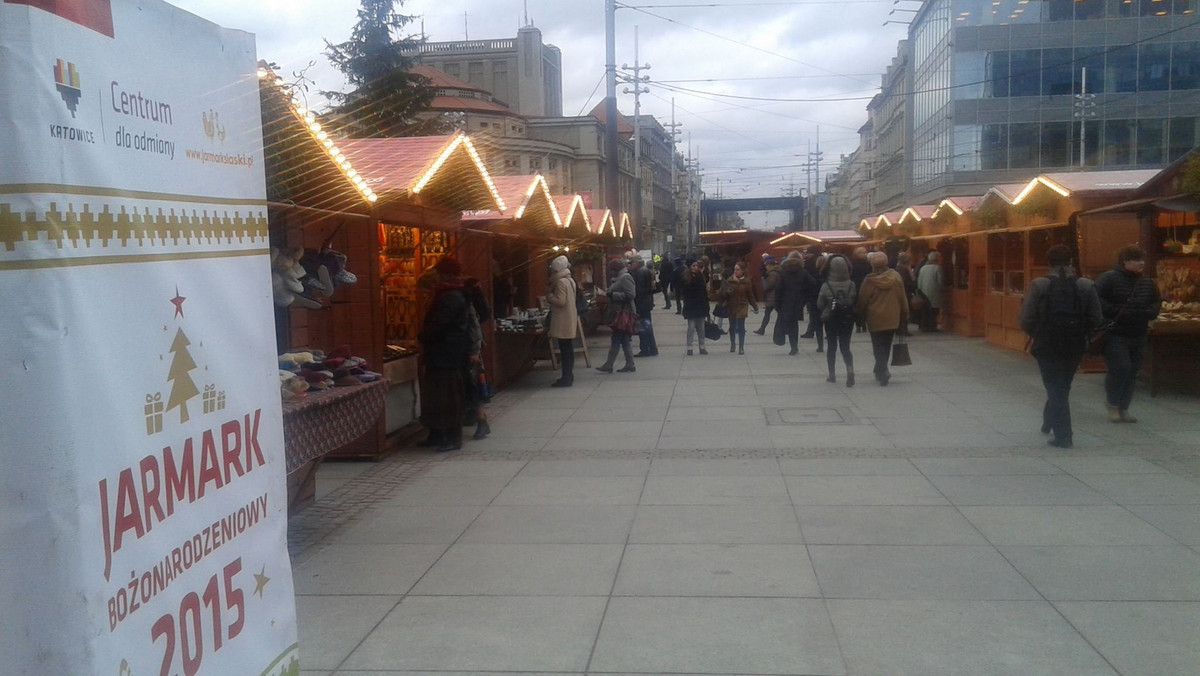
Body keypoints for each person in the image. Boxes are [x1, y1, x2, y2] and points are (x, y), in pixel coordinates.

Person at [1020, 245, 1102, 448]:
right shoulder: (1085, 285)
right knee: (1063, 384)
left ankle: (1063, 435)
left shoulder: (1040, 284)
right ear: (1071, 262)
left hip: (1047, 343)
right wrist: (1083, 332)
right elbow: (1097, 318)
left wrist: (1037, 333)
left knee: (1055, 386)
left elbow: (1026, 318)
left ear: (1048, 263)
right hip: (1074, 343)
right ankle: (1050, 421)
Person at [1094, 245, 1160, 423]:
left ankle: (1124, 408)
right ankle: (1113, 404)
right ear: (1125, 262)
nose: (1141, 263)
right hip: (1116, 333)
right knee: (1121, 367)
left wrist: (1149, 312)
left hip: (1139, 332)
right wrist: (1116, 311)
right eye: (1137, 260)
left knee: (1133, 371)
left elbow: (1156, 302)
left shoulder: (1147, 282)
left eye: (1142, 259)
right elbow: (1096, 300)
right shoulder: (1109, 278)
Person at [418, 258, 472, 451]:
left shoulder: (450, 296)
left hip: (446, 353)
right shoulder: (451, 294)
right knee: (438, 395)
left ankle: (451, 436)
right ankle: (437, 433)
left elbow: (441, 324)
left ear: (446, 274)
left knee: (447, 396)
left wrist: (424, 336)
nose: (437, 276)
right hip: (446, 352)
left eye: (440, 273)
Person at [855, 251, 908, 386]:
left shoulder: (869, 280)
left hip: (875, 317)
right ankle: (881, 368)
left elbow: (863, 299)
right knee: (886, 344)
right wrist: (905, 313)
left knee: (877, 345)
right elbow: (902, 297)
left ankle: (882, 369)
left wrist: (860, 315)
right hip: (892, 316)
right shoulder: (896, 277)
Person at [818, 254, 857, 387]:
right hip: (847, 318)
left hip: (831, 318)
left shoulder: (826, 285)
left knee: (832, 346)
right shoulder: (852, 284)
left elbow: (819, 304)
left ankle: (832, 374)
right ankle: (850, 369)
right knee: (845, 346)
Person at [462, 277, 493, 440]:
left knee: (474, 385)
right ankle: (475, 416)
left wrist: (474, 349)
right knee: (473, 385)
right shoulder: (468, 298)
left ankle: (481, 420)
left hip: (470, 350)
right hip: (470, 349)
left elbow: (474, 327)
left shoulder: (465, 301)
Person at [596, 257, 637, 373]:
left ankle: (610, 364)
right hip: (619, 312)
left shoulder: (625, 278)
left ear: (615, 269)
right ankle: (629, 363)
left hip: (623, 313)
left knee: (618, 339)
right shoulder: (619, 278)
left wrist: (612, 294)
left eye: (611, 270)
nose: (610, 272)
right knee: (623, 339)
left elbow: (631, 295)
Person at [546, 254, 579, 388]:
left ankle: (566, 377)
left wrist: (549, 296)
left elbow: (561, 301)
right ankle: (568, 375)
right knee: (568, 349)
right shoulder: (569, 280)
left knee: (565, 350)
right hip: (569, 318)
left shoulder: (560, 282)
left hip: (562, 320)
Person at [775, 250, 814, 356]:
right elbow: (812, 285)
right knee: (794, 325)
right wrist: (805, 298)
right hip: (798, 302)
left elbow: (778, 288)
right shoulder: (803, 272)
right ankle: (794, 346)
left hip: (785, 301)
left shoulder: (783, 272)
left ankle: (781, 338)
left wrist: (777, 303)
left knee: (783, 321)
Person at [723, 262, 759, 354]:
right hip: (731, 305)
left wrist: (755, 306)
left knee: (741, 327)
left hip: (742, 305)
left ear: (742, 271)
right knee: (732, 326)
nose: (736, 271)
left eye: (738, 269)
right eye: (735, 269)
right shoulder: (729, 280)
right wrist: (730, 288)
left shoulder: (747, 281)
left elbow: (750, 295)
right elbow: (725, 294)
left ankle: (741, 347)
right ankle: (733, 344)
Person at [629, 254, 659, 357]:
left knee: (643, 327)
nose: (630, 265)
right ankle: (652, 348)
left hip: (642, 304)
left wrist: (636, 304)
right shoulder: (644, 270)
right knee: (647, 327)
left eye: (631, 263)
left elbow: (640, 290)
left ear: (635, 263)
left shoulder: (639, 272)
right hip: (646, 303)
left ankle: (645, 349)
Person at [680, 259, 710, 355]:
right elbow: (684, 292)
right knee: (691, 327)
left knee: (701, 327)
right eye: (693, 265)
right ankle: (689, 347)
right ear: (689, 267)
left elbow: (704, 292)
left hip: (700, 305)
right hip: (691, 306)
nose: (695, 267)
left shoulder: (701, 277)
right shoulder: (686, 277)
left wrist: (707, 306)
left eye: (696, 266)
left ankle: (702, 346)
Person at [916, 251, 945, 332]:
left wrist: (919, 291)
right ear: (936, 259)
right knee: (934, 311)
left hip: (923, 293)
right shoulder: (938, 268)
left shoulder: (923, 268)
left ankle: (924, 326)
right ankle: (932, 327)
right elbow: (940, 282)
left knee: (925, 311)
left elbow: (919, 281)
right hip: (934, 293)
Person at [800, 245, 824, 343]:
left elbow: (807, 278)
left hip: (812, 292)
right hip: (822, 292)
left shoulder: (810, 263)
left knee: (813, 314)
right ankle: (814, 332)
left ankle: (811, 332)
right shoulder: (823, 261)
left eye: (808, 253)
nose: (806, 255)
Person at [754, 256, 780, 336]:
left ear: (771, 265)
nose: (766, 267)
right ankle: (762, 329)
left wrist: (766, 290)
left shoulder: (772, 274)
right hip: (776, 296)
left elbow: (770, 284)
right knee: (776, 314)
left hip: (772, 297)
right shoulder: (777, 272)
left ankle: (762, 329)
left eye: (767, 266)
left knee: (768, 314)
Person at [849, 247, 872, 333]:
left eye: (865, 252)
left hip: (866, 286)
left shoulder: (868, 264)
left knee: (866, 306)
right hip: (857, 286)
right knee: (858, 306)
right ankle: (859, 324)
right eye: (862, 253)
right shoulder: (853, 264)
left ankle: (864, 323)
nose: (864, 254)